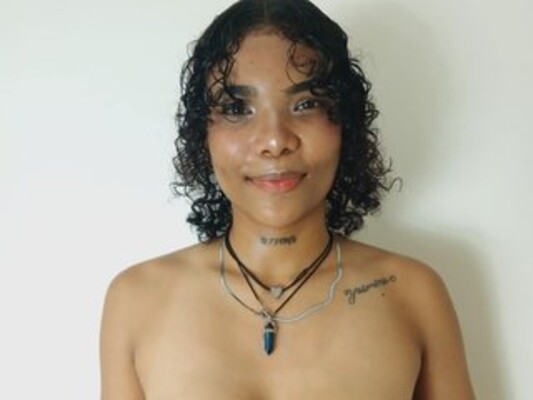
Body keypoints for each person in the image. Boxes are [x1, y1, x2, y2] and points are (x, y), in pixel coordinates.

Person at [99, 0, 475, 398]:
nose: (275, 140)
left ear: (345, 123)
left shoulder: (412, 294)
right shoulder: (136, 300)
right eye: (237, 108)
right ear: (201, 133)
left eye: (306, 104)